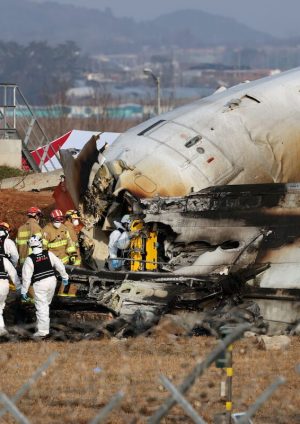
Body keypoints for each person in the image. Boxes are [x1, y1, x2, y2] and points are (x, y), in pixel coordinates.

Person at [21, 234, 69, 338]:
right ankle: (40, 326)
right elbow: (60, 265)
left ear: (30, 245)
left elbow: (26, 277)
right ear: (40, 243)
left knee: (42, 307)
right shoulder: (48, 253)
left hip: (40, 284)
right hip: (52, 281)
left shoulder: (30, 259)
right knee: (45, 305)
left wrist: (24, 291)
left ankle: (43, 332)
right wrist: (65, 277)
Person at [0, 252, 21, 336]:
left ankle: (1, 328)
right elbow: (13, 273)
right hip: (3, 285)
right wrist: (19, 287)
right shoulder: (3, 260)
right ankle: (1, 328)